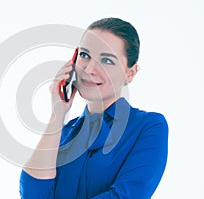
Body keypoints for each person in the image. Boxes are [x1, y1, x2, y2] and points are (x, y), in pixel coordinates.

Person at [19, 17, 168, 199]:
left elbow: (125, 196)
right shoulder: (64, 133)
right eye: (84, 55)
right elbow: (33, 194)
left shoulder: (148, 127)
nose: (89, 69)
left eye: (106, 60)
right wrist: (57, 115)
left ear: (130, 73)